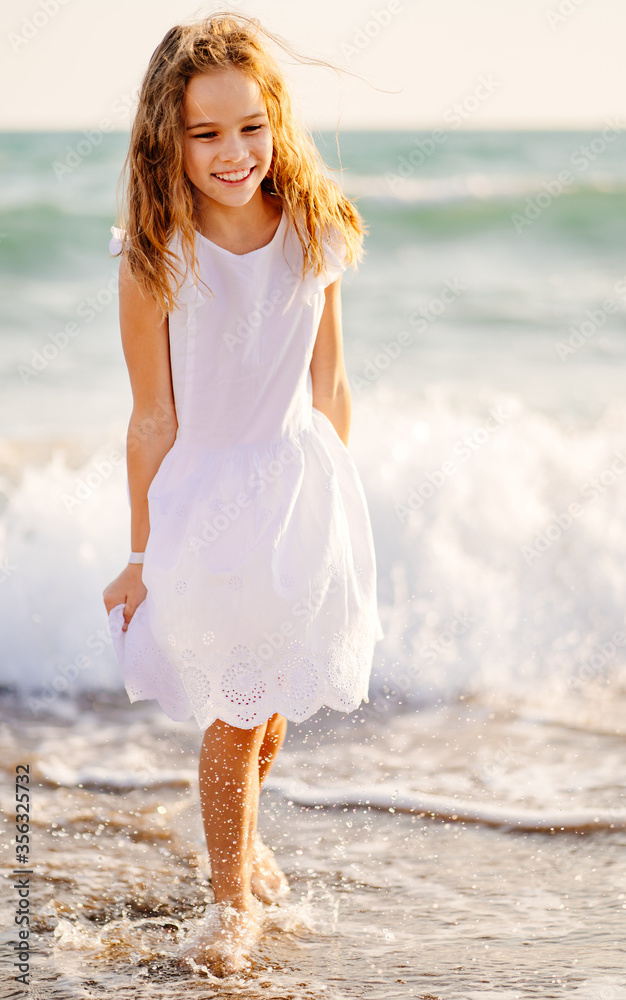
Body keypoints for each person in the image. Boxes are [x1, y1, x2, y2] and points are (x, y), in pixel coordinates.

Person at [102, 12, 383, 976]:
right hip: (209, 504)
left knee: (269, 714)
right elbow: (151, 419)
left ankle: (244, 836)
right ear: (166, 139)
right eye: (206, 132)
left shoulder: (316, 227)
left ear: (277, 121)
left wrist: (335, 513)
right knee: (233, 707)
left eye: (251, 126)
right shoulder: (158, 257)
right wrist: (140, 556)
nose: (234, 153)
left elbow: (332, 386)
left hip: (301, 492)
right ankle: (230, 908)